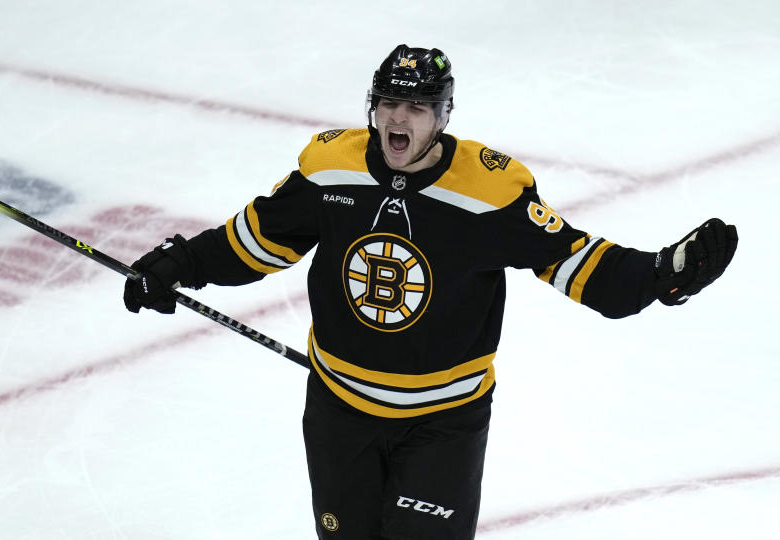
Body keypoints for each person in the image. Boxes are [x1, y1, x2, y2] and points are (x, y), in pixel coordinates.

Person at [122, 44, 738, 540]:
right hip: (341, 414)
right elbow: (256, 238)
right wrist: (180, 263)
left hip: (443, 426)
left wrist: (661, 275)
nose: (398, 119)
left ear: (443, 117)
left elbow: (573, 261)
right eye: (388, 103)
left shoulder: (490, 191)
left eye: (416, 108)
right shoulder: (330, 166)